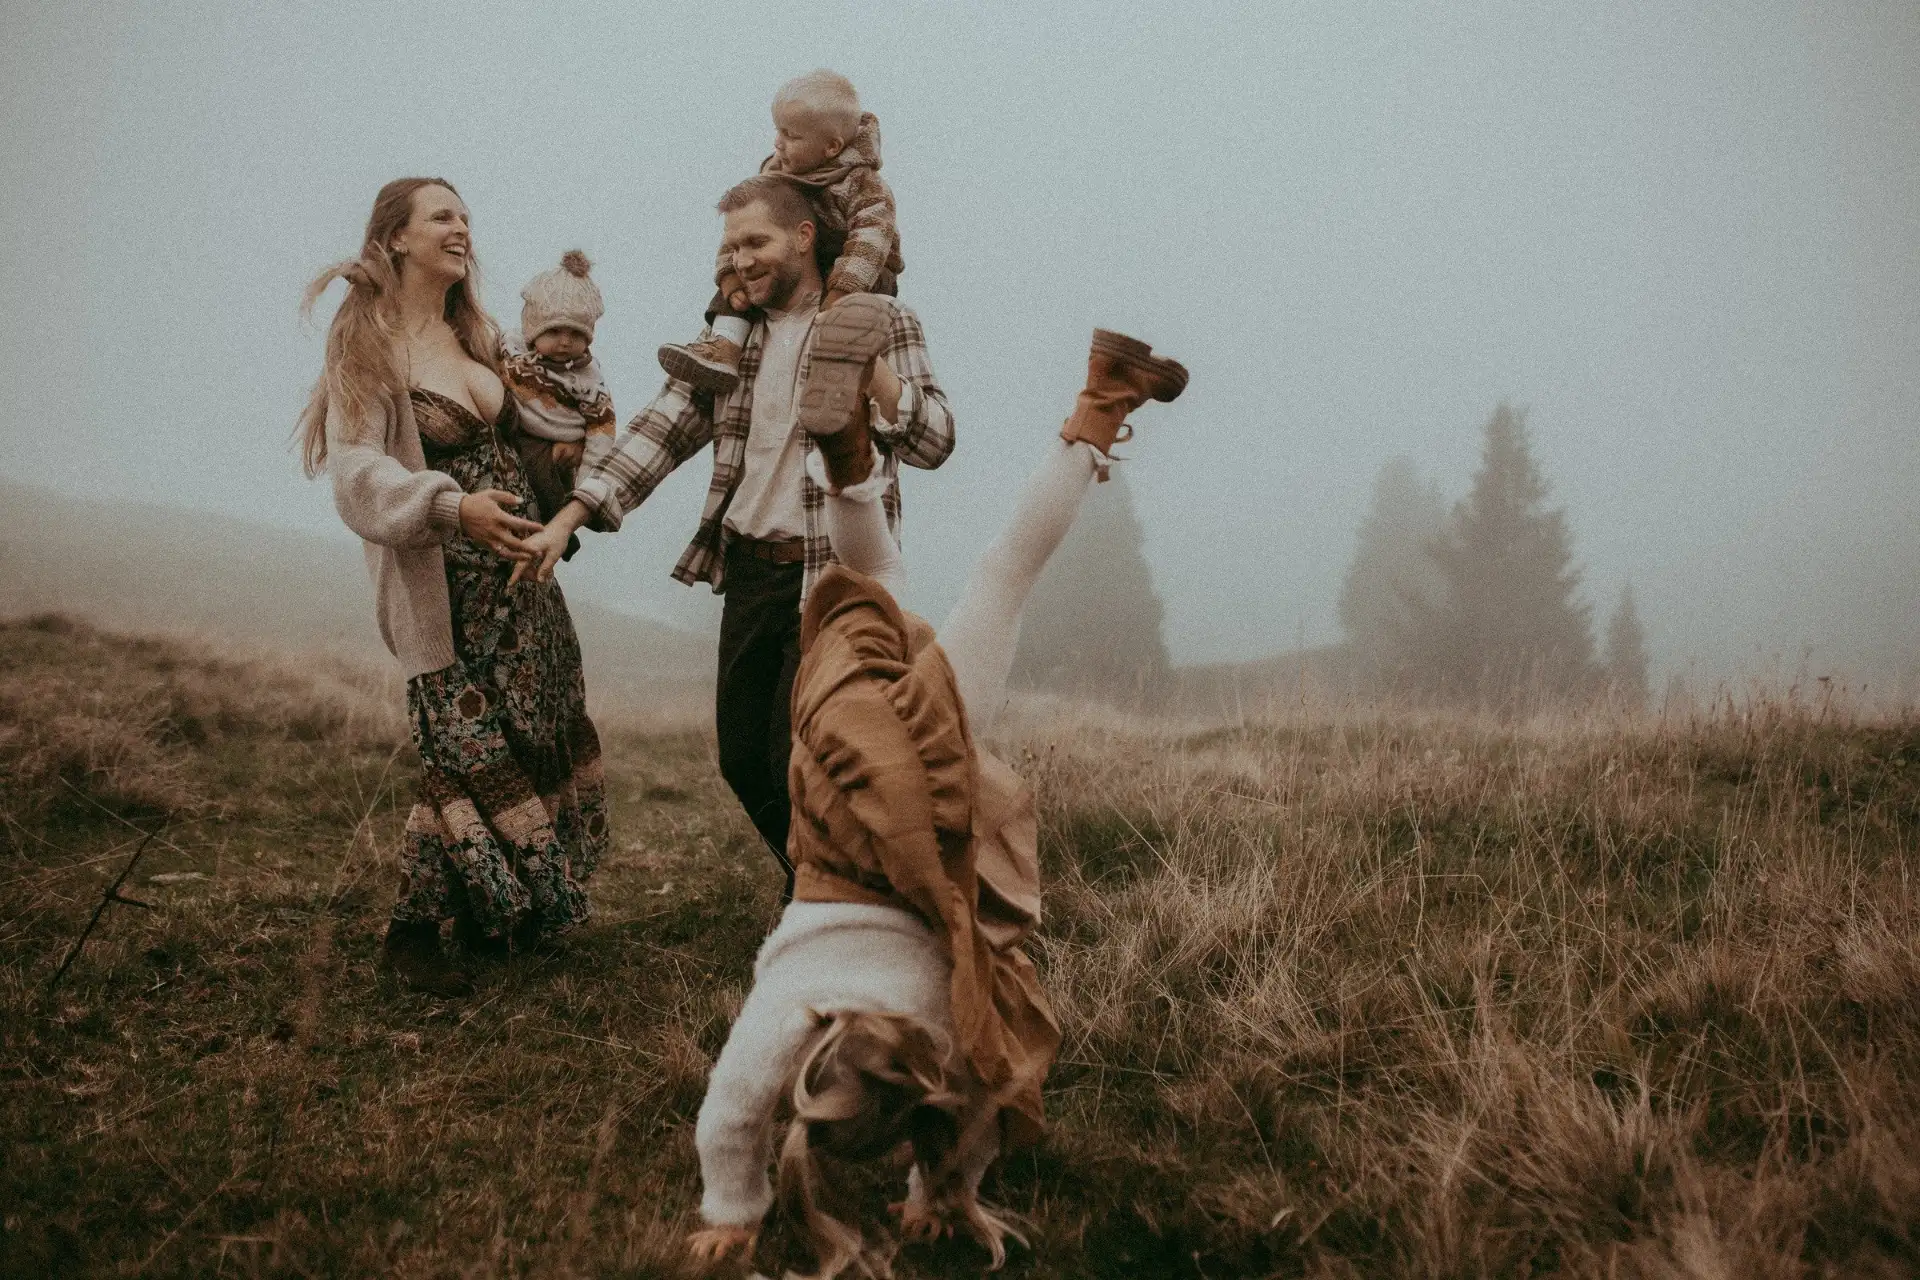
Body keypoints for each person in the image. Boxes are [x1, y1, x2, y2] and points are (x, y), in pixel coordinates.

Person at [685, 329, 1188, 1276]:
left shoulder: (949, 1028)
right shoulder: (786, 1031)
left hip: (923, 811)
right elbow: (732, 1119)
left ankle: (1099, 406)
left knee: (1003, 579)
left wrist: (738, 1213)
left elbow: (981, 1106)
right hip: (835, 792)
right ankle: (849, 466)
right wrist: (737, 1206)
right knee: (872, 589)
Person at [521, 173, 953, 902]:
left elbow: (935, 439)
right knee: (742, 758)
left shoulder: (885, 319)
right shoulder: (731, 338)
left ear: (804, 237)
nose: (739, 259)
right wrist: (572, 513)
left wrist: (864, 364)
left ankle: (831, 906)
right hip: (752, 572)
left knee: (803, 757)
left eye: (755, 241)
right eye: (729, 246)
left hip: (837, 577)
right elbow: (659, 431)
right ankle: (839, 886)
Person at [298, 177, 608, 997]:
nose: (463, 228)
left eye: (468, 216)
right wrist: (450, 505)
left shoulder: (482, 337)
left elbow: (530, 445)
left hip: (525, 584)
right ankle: (411, 932)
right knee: (462, 755)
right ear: (396, 238)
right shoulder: (367, 346)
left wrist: (565, 484)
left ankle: (492, 914)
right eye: (444, 216)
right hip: (450, 590)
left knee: (528, 737)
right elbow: (357, 475)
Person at [656, 68, 903, 392]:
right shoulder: (774, 172)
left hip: (860, 267)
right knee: (752, 267)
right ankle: (723, 347)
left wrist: (842, 293)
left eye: (791, 136)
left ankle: (842, 374)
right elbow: (742, 226)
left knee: (863, 307)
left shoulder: (863, 184)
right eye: (778, 131)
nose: (778, 143)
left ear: (831, 147)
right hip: (799, 260)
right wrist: (730, 276)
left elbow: (871, 239)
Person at [501, 249, 616, 530]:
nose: (565, 342)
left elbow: (602, 429)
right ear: (533, 330)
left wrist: (587, 482)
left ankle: (558, 529)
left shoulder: (587, 378)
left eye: (576, 334)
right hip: (519, 425)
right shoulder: (511, 348)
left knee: (541, 477)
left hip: (556, 437)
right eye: (554, 332)